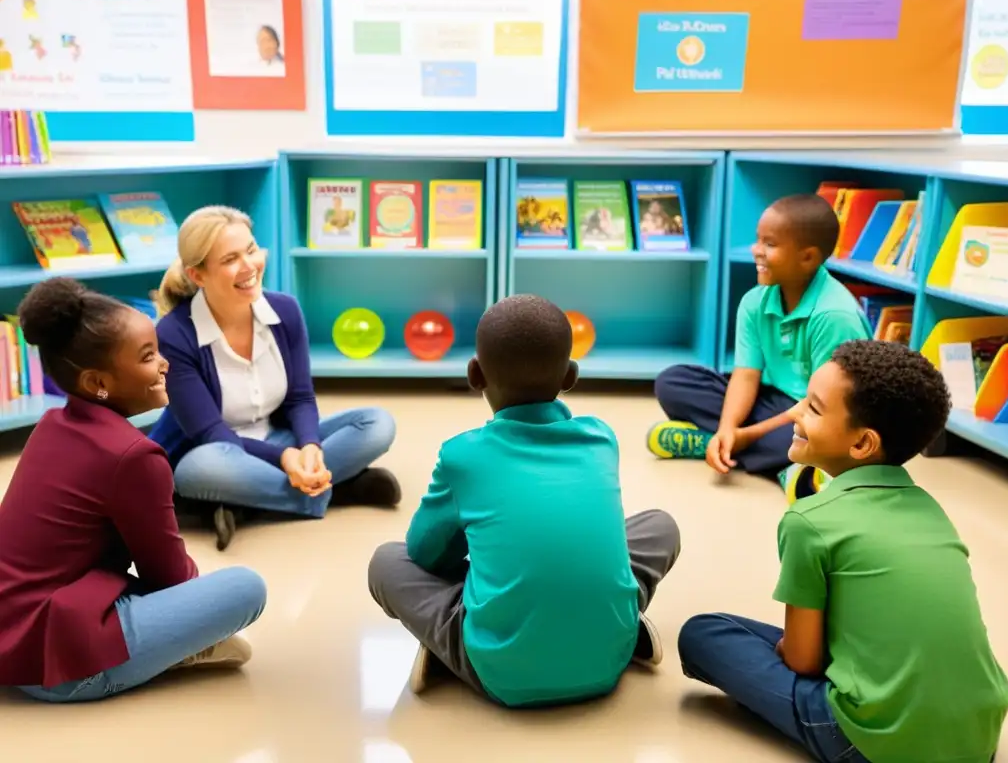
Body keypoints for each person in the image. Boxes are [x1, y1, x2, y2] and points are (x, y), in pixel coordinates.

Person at [678, 340, 1008, 763]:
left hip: (875, 744)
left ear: (862, 445)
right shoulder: (933, 509)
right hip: (978, 737)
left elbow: (802, 661)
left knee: (703, 633)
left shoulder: (810, 520)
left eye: (813, 409)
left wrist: (794, 648)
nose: (795, 413)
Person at [367, 294, 681, 706]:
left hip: (502, 677)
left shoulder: (462, 455)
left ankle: (450, 647)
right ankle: (620, 623)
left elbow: (424, 555)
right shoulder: (601, 438)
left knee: (387, 562)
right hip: (609, 660)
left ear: (474, 374)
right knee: (661, 525)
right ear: (570, 376)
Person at [0, 278, 266, 703]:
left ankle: (174, 645)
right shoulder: (134, 456)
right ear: (97, 383)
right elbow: (169, 576)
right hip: (61, 667)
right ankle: (176, 651)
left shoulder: (52, 424)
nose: (164, 364)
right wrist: (198, 615)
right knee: (246, 589)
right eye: (147, 357)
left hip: (13, 636)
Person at [150, 206, 399, 550]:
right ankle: (333, 489)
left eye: (251, 250)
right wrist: (285, 460)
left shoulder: (284, 311)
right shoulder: (173, 334)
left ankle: (246, 502)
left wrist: (309, 446)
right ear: (198, 275)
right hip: (216, 451)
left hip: (278, 439)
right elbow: (210, 432)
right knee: (198, 471)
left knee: (377, 423)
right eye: (230, 259)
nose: (249, 266)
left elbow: (299, 397)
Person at [647, 194, 870, 500]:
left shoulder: (835, 316)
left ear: (807, 257)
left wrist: (746, 435)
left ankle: (779, 463)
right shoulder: (755, 301)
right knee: (673, 382)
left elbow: (825, 406)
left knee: (824, 440)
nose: (756, 251)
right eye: (758, 240)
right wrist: (729, 428)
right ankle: (763, 456)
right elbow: (746, 375)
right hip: (774, 401)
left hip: (824, 412)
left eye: (770, 244)